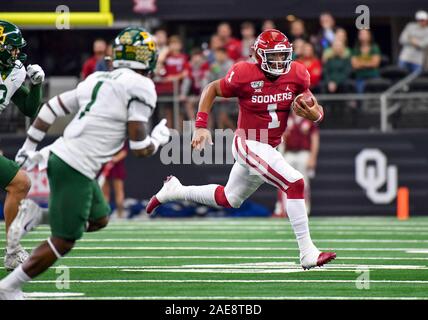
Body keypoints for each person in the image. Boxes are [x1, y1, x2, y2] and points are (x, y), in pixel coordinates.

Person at [0, 27, 170, 300]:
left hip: (66, 158)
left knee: (99, 219)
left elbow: (50, 107)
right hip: (75, 164)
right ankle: (9, 286)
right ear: (146, 58)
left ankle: (37, 215)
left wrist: (30, 146)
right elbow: (139, 148)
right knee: (64, 240)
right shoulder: (142, 86)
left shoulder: (98, 77)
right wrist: (158, 140)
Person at [146, 29, 336, 270]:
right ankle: (307, 252)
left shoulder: (297, 72)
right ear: (258, 55)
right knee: (295, 183)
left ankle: (175, 190)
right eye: (273, 56)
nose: (279, 61)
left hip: (269, 146)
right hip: (248, 141)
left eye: (282, 56)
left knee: (229, 198)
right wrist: (201, 125)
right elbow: (212, 89)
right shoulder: (244, 72)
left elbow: (312, 104)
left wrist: (315, 113)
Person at [0, 20, 45, 271]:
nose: (16, 54)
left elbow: (29, 109)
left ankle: (13, 251)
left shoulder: (15, 71)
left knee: (20, 182)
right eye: (12, 48)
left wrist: (37, 85)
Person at [275, 112, 320, 216]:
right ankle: (283, 209)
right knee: (284, 182)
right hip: (289, 153)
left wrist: (313, 157)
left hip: (304, 153)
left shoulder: (309, 119)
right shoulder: (287, 119)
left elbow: (315, 139)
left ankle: (305, 210)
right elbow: (281, 138)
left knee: (304, 183)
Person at [155, 35, 190, 128]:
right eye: (172, 43)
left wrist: (175, 77)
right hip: (165, 90)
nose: (174, 46)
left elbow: (186, 73)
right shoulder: (165, 57)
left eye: (176, 43)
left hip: (177, 90)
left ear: (180, 45)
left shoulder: (183, 57)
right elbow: (159, 69)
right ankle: (169, 136)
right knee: (167, 114)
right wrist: (165, 51)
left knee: (179, 113)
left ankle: (180, 137)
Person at [206, 47, 235, 129]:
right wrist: (211, 71)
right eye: (216, 54)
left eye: (219, 54)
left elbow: (229, 78)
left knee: (223, 117)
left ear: (225, 54)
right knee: (219, 118)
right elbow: (212, 80)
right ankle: (221, 138)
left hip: (230, 97)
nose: (218, 56)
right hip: (219, 96)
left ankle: (236, 133)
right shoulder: (214, 65)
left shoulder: (231, 64)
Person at [181, 48, 210, 122]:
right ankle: (193, 125)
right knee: (187, 79)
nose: (196, 59)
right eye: (195, 57)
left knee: (205, 80)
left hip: (205, 93)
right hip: (192, 93)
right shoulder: (188, 65)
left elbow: (206, 78)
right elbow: (187, 79)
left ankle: (208, 128)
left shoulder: (205, 64)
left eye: (198, 56)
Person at [101, 146, 129, 219]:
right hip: (105, 165)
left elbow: (124, 152)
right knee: (105, 192)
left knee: (119, 191)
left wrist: (114, 159)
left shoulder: (121, 137)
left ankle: (120, 215)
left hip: (116, 166)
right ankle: (104, 215)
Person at [351, 29, 381, 93]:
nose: (363, 36)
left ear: (369, 36)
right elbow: (354, 65)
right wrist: (369, 61)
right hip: (360, 77)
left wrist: (360, 62)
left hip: (373, 76)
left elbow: (375, 63)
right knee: (360, 96)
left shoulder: (374, 48)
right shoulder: (355, 49)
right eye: (361, 34)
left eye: (365, 34)